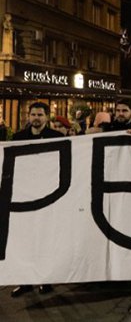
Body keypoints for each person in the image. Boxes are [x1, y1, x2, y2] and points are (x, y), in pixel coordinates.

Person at [10, 101, 59, 297]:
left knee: (45, 239)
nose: (36, 118)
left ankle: (45, 280)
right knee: (24, 240)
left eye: (40, 114)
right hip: (24, 196)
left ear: (47, 117)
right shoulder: (18, 137)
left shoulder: (57, 137)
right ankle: (25, 281)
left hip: (49, 195)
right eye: (33, 114)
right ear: (28, 117)